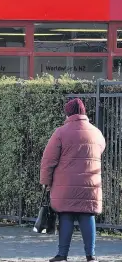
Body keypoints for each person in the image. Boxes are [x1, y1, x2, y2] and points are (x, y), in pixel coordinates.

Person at [40, 98, 105, 262]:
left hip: (65, 184)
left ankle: (62, 255)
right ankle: (91, 255)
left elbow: (49, 160)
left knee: (66, 215)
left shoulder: (61, 132)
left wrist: (46, 182)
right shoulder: (96, 132)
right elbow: (100, 150)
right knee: (87, 215)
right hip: (90, 184)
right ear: (83, 112)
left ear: (68, 113)